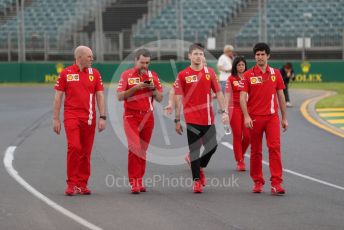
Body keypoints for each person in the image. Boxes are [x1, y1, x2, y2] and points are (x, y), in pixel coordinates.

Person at [174, 43, 229, 193]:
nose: (199, 56)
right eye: (196, 54)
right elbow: (178, 97)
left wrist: (224, 112)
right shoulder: (183, 75)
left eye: (201, 54)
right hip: (191, 119)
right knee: (194, 151)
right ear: (189, 56)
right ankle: (196, 181)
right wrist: (177, 119)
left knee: (212, 147)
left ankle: (201, 168)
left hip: (208, 118)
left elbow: (218, 93)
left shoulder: (209, 73)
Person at [53, 45, 106, 196]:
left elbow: (100, 96)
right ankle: (72, 184)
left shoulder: (95, 73)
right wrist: (56, 119)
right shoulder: (66, 73)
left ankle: (82, 184)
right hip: (71, 116)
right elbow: (58, 97)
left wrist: (103, 117)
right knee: (74, 147)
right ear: (79, 57)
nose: (92, 59)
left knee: (85, 152)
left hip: (89, 118)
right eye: (89, 56)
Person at [239, 43, 288, 195]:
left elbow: (281, 95)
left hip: (272, 118)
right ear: (255, 57)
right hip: (254, 119)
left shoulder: (275, 73)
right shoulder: (248, 75)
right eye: (257, 54)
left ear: (268, 56)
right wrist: (246, 116)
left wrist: (284, 118)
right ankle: (258, 182)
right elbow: (242, 97)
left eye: (262, 54)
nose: (260, 57)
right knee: (256, 151)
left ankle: (276, 183)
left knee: (274, 148)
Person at [117, 48, 163, 194]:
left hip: (148, 117)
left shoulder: (153, 75)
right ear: (136, 60)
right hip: (131, 116)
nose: (144, 65)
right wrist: (136, 88)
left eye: (147, 63)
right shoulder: (126, 75)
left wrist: (153, 89)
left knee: (143, 150)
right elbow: (119, 96)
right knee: (135, 147)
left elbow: (160, 98)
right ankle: (134, 181)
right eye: (142, 62)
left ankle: (139, 179)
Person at [224, 56, 250, 171]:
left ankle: (241, 155)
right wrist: (225, 111)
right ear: (235, 66)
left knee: (248, 136)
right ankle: (240, 161)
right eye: (239, 65)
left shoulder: (249, 77)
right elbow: (227, 95)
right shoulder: (231, 79)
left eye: (243, 65)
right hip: (234, 109)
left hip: (247, 109)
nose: (241, 67)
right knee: (238, 135)